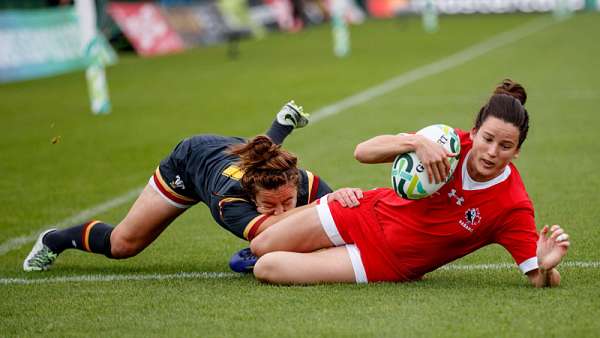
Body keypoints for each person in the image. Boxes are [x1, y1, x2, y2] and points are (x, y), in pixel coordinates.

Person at [249, 80, 571, 287]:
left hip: (383, 261)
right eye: (487, 139)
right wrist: (414, 142)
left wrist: (545, 268)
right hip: (364, 210)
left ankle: (322, 246)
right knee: (258, 246)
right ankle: (321, 233)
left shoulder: (512, 205)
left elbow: (537, 277)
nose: (491, 152)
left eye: (505, 146)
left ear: (516, 152)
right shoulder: (449, 144)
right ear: (474, 132)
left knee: (267, 267)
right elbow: (362, 152)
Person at [23, 101, 333, 271]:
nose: (280, 210)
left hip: (240, 156)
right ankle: (56, 239)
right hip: (189, 164)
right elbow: (273, 232)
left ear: (296, 184)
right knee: (123, 245)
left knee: (263, 155)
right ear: (252, 196)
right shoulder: (230, 201)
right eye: (269, 206)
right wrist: (315, 213)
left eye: (287, 202)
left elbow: (337, 219)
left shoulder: (300, 180)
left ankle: (280, 125)